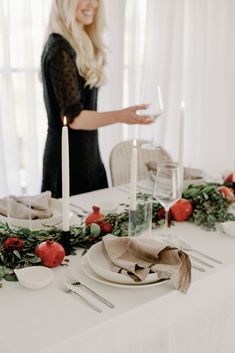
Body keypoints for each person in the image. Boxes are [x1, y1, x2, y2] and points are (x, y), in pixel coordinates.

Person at [41, 0, 153, 198]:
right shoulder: (59, 48)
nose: (93, 4)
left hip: (87, 157)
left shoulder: (77, 42)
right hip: (68, 163)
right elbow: (74, 119)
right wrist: (121, 116)